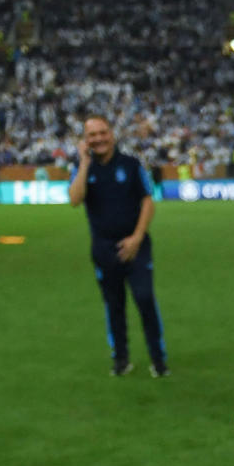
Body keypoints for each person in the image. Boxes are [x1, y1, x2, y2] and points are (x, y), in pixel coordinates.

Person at [68, 114, 168, 377]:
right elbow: (74, 199)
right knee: (114, 306)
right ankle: (121, 359)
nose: (98, 139)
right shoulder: (83, 168)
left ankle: (159, 360)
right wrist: (84, 163)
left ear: (111, 134)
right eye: (92, 135)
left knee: (145, 299)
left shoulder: (132, 164)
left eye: (102, 132)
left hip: (137, 246)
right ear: (85, 139)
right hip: (104, 250)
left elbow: (148, 201)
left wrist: (136, 238)